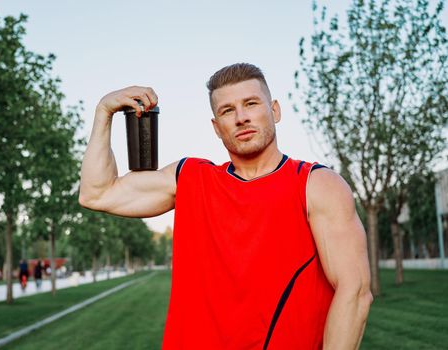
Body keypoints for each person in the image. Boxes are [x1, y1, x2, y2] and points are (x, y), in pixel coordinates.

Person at [79, 63, 372, 349]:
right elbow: (97, 193)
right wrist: (104, 111)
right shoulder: (190, 178)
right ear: (216, 127)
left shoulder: (316, 184)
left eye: (251, 104)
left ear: (275, 111)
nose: (241, 117)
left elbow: (354, 291)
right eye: (227, 110)